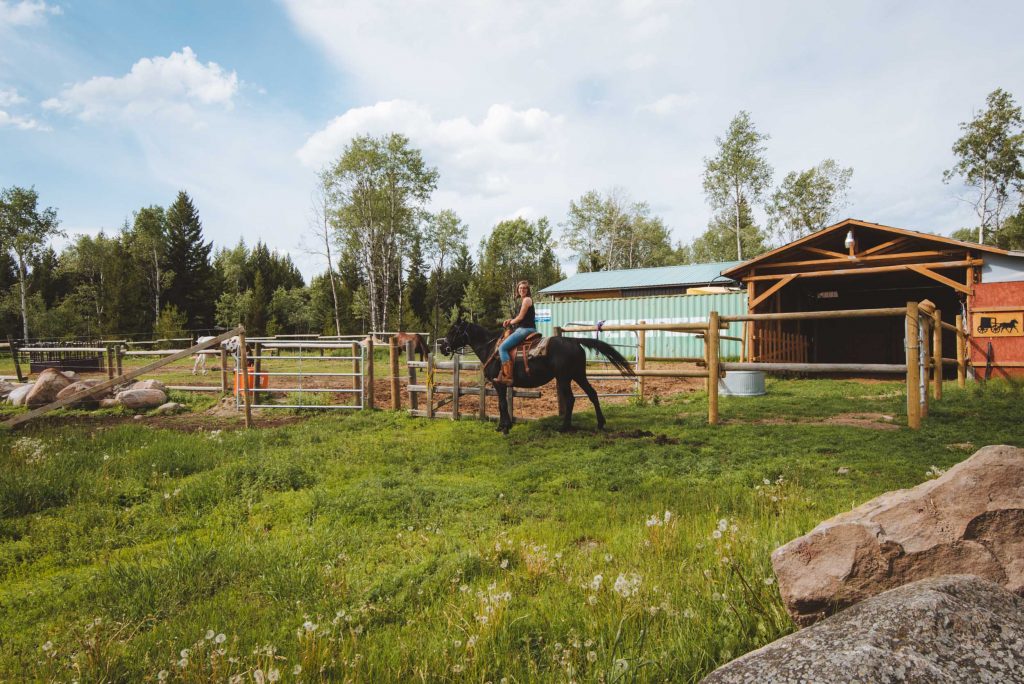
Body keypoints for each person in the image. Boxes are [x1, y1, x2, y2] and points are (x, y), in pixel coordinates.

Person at [496, 280, 537, 384]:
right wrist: (510, 320)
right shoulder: (524, 300)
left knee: (502, 347)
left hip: (525, 329)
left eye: (524, 288)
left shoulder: (527, 300)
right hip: (523, 328)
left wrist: (510, 322)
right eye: (520, 288)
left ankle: (508, 376)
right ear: (517, 290)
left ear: (527, 290)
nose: (522, 290)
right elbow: (520, 318)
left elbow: (520, 317)